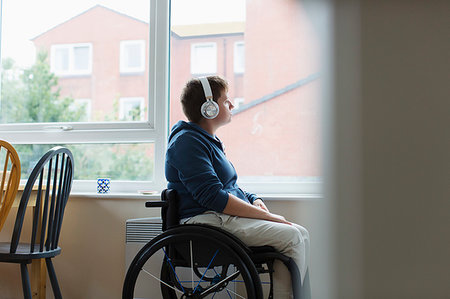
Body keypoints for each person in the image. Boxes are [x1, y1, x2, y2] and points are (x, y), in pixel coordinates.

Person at [165, 75, 311, 298]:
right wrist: (270, 217)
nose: (232, 104)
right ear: (209, 108)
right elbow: (214, 197)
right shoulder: (187, 143)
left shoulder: (204, 141)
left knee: (301, 233)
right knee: (292, 237)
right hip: (205, 222)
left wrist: (254, 199)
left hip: (218, 218)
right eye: (225, 100)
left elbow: (229, 187)